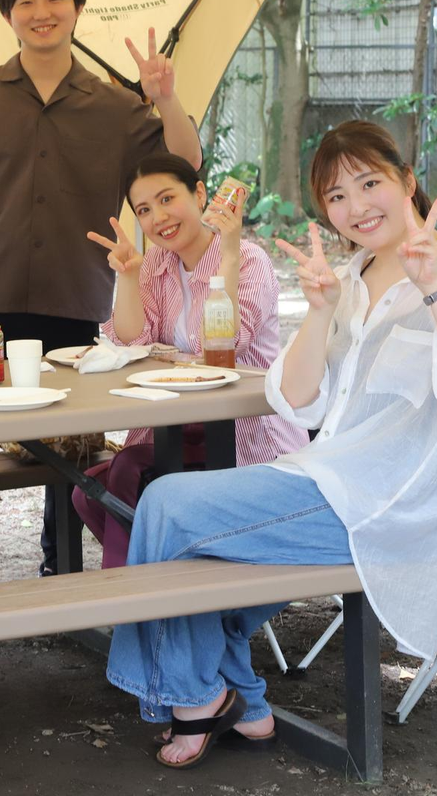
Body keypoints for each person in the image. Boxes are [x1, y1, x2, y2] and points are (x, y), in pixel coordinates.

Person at [106, 120, 437, 770]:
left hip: (392, 502)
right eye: (337, 196)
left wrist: (434, 289)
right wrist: (322, 311)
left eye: (370, 184)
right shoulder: (353, 274)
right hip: (326, 476)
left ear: (407, 181)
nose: (356, 207)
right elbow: (298, 400)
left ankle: (196, 699)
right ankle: (242, 702)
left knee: (167, 507)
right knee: (188, 540)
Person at [0, 0, 203, 582]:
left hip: (77, 296)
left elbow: (184, 163)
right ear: (8, 14)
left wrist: (165, 98)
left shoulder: (116, 107)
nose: (41, 11)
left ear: (77, 9)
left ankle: (62, 561)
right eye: (25, 0)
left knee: (69, 436)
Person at [74, 155, 308, 568]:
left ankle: (135, 592)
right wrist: (128, 276)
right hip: (171, 427)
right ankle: (163, 582)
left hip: (243, 432)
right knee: (90, 493)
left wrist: (229, 253)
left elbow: (221, 346)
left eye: (167, 199)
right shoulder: (156, 263)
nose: (158, 217)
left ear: (199, 194)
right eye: (144, 210)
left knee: (125, 476)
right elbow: (131, 340)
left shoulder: (249, 260)